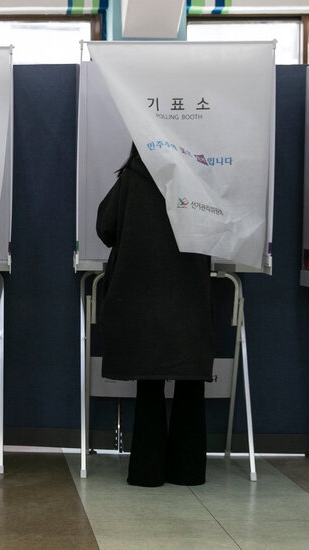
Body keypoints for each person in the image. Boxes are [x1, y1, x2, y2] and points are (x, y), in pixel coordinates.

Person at [96, 144, 213, 487]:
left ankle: (147, 471)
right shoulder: (199, 172)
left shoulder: (134, 176)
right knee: (190, 383)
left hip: (143, 299)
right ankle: (189, 471)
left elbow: (105, 227)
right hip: (190, 295)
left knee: (150, 384)